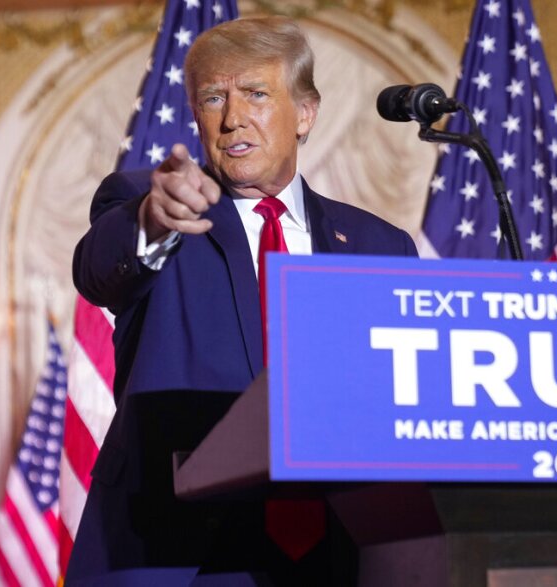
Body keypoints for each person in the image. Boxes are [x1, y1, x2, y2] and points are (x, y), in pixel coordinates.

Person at [68, 15, 418, 585]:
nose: (232, 118)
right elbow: (97, 270)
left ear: (305, 113)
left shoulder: (381, 245)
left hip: (338, 551)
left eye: (255, 93)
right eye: (213, 98)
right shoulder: (150, 203)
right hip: (177, 553)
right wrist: (153, 222)